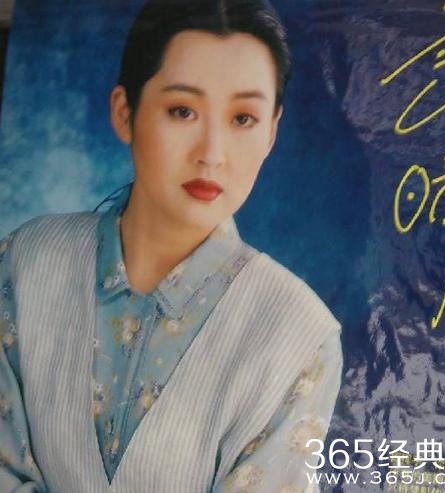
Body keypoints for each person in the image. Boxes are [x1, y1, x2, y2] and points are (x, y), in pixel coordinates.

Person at [0, 0, 342, 491]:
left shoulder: (299, 337)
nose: (211, 154)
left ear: (272, 132)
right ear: (125, 112)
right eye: (183, 110)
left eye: (243, 118)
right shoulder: (27, 262)